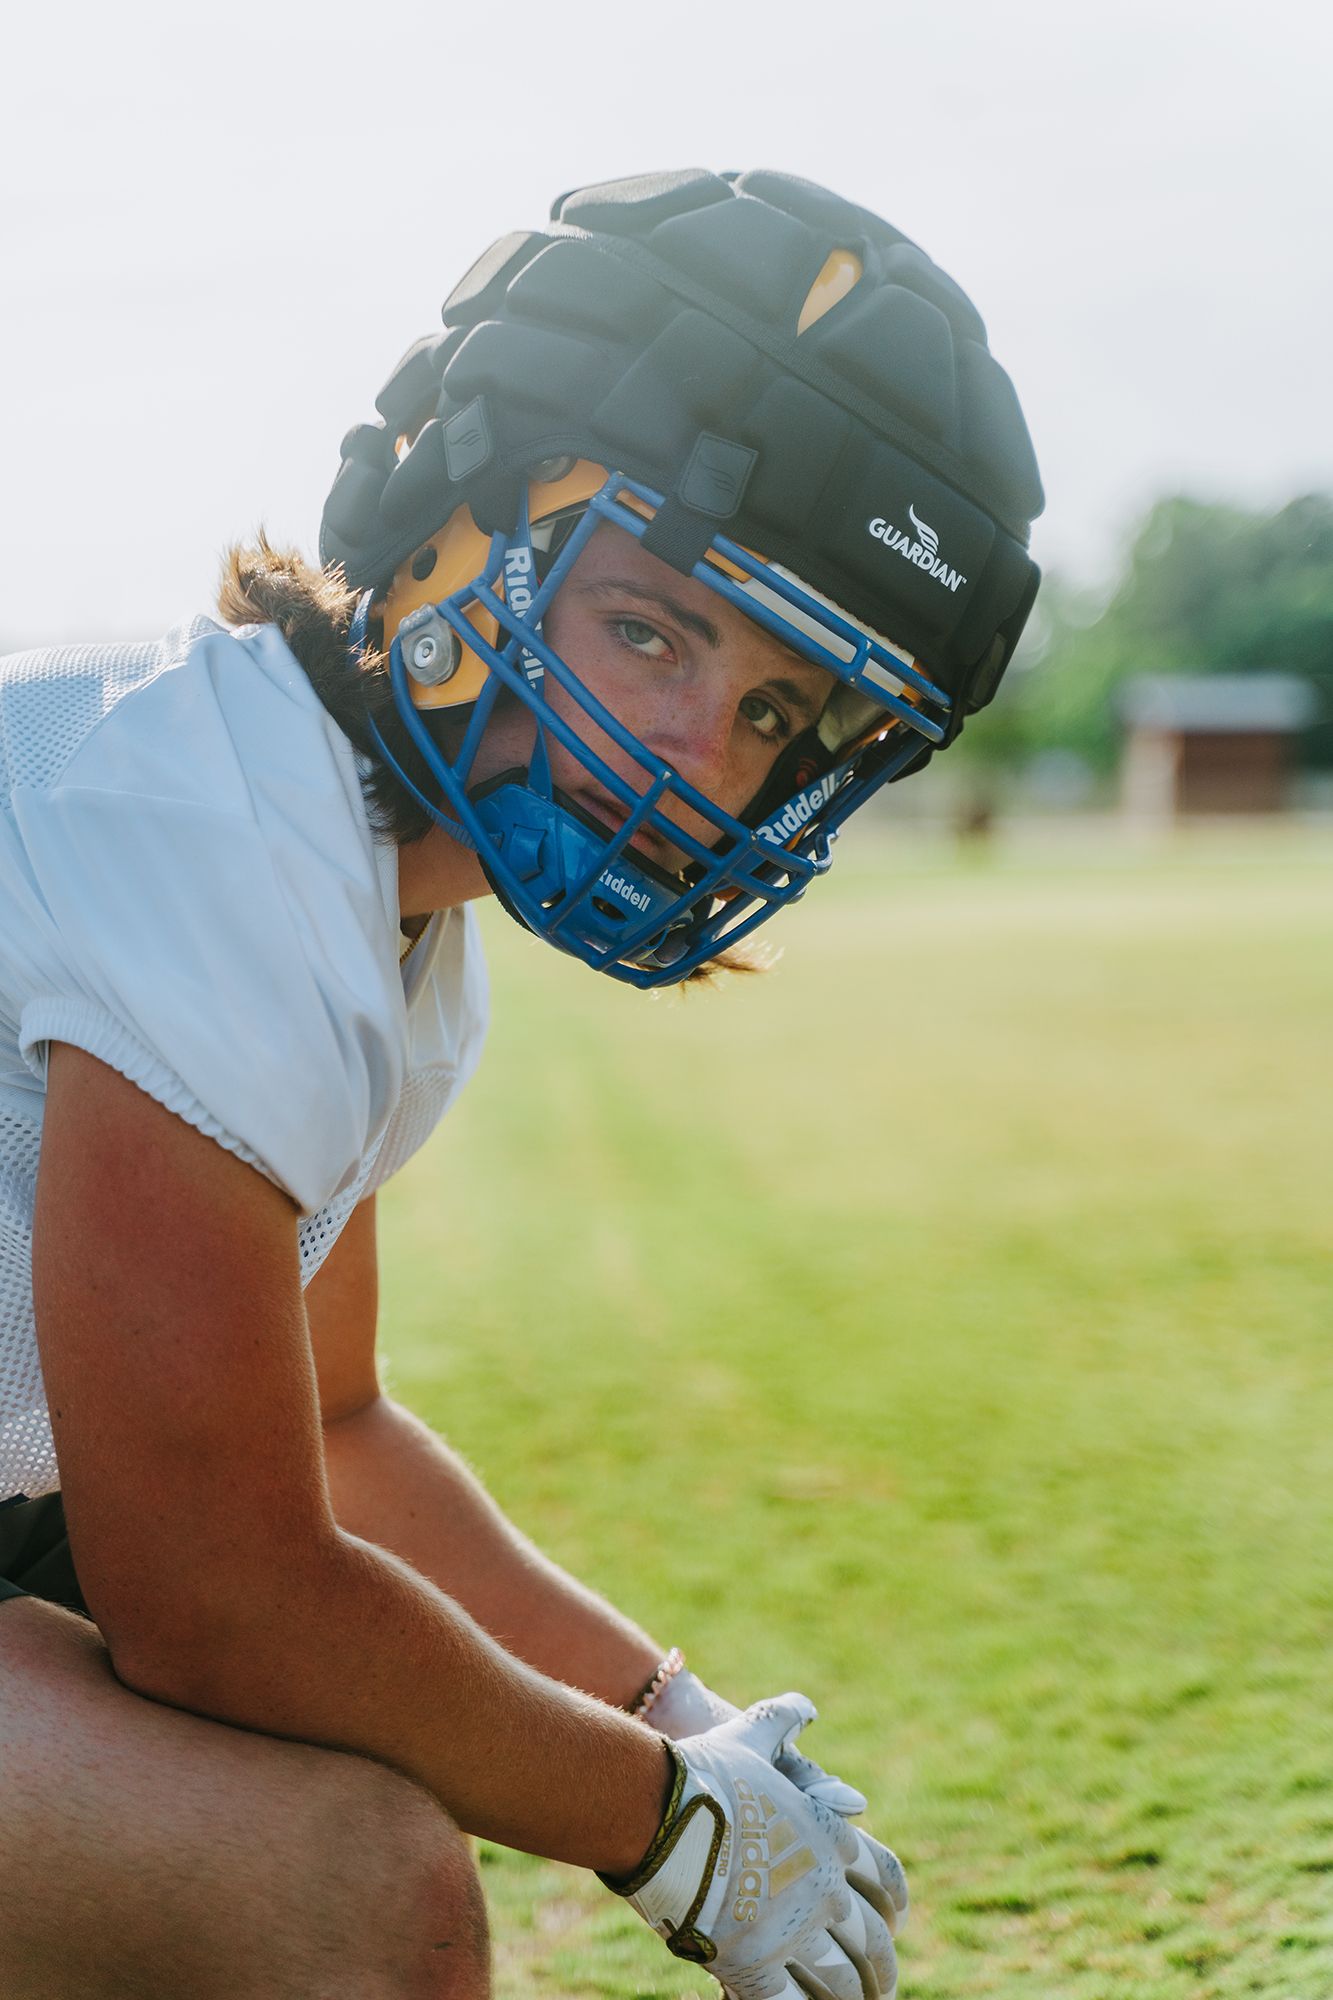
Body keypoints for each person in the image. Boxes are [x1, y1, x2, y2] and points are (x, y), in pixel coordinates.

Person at [0, 168, 1042, 1997]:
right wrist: (663, 1819)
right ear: (451, 517)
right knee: (333, 1889)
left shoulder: (342, 880)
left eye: (781, 714)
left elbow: (330, 1435)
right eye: (654, 631)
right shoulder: (213, 841)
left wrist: (671, 1712)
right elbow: (217, 1600)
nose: (700, 757)